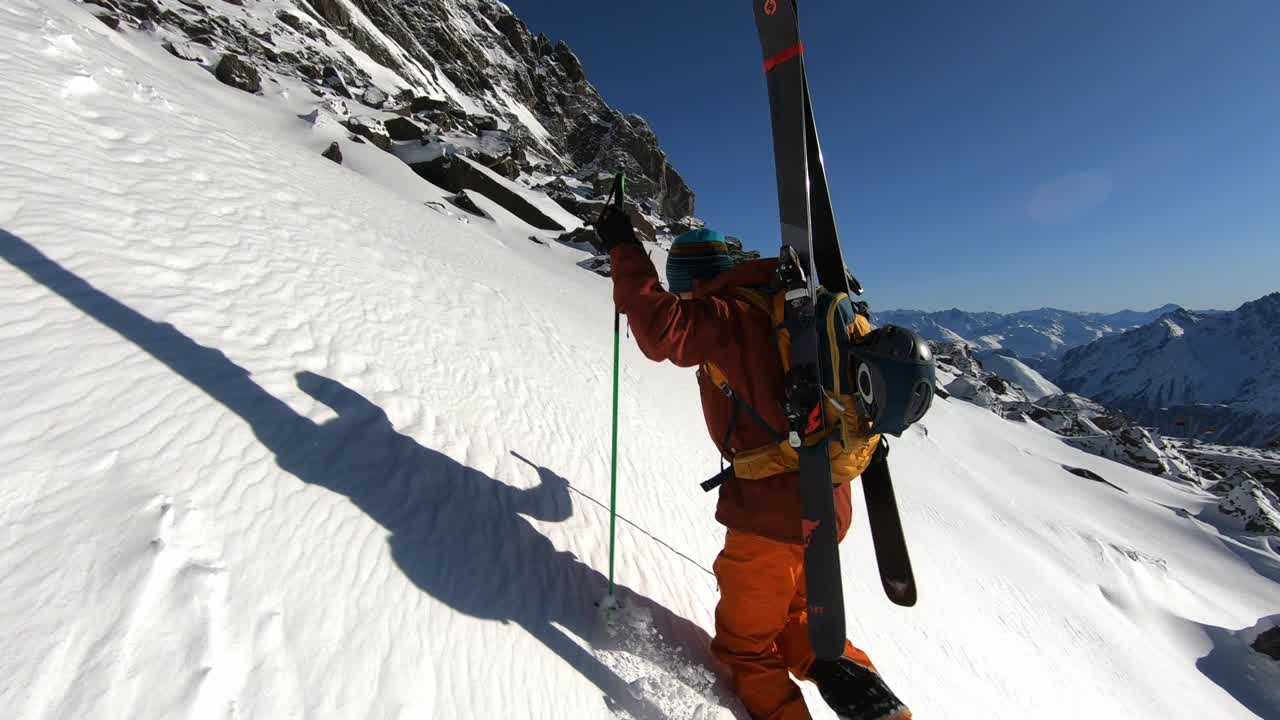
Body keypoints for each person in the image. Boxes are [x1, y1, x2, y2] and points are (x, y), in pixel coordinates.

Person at [592, 208, 922, 720]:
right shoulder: (785, 306)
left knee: (745, 647)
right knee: (803, 623)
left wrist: (623, 247)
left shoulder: (725, 315)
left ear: (692, 281)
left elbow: (659, 330)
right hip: (825, 505)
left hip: (770, 519)